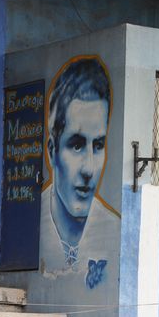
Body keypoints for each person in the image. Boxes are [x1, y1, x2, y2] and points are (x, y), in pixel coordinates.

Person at [40, 56, 120, 284]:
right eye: (76, 145)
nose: (89, 168)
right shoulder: (29, 227)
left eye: (98, 146)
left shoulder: (117, 232)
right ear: (52, 151)